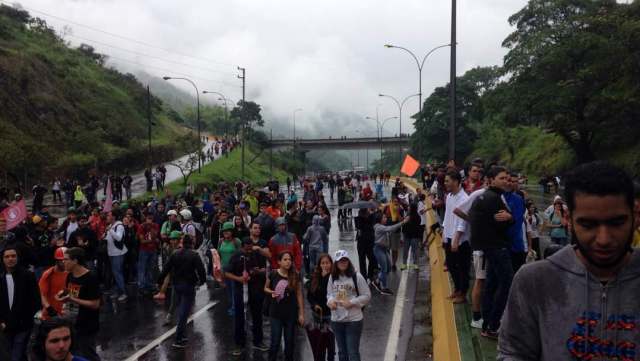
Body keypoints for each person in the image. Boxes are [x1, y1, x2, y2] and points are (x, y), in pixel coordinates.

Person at [498, 162, 639, 360]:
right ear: (569, 221)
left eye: (616, 223)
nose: (604, 239)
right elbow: (514, 353)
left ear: (636, 216)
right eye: (588, 225)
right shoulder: (535, 281)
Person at [468, 166, 513, 339]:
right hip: (497, 247)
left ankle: (487, 324)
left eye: (506, 178)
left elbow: (475, 219)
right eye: (501, 178)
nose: (505, 181)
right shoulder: (493, 198)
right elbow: (504, 221)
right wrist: (510, 218)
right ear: (491, 179)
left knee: (491, 284)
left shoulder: (482, 197)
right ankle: (493, 324)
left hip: (487, 247)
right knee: (506, 283)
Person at [157, 235, 206, 348]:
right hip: (188, 285)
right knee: (184, 312)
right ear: (192, 244)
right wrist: (202, 281)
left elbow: (166, 268)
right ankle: (178, 338)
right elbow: (201, 270)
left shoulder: (175, 253)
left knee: (180, 307)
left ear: (182, 243)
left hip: (176, 284)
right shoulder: (194, 255)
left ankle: (182, 335)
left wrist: (159, 280)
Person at [224, 237, 269, 356]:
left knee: (257, 317)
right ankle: (239, 344)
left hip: (255, 290)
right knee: (239, 318)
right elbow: (227, 273)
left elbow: (265, 270)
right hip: (240, 291)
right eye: (247, 249)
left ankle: (258, 341)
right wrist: (238, 278)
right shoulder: (236, 256)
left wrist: (257, 271)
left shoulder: (256, 254)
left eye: (251, 248)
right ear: (242, 246)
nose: (249, 251)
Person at [57, 248, 101, 361]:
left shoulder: (90, 278)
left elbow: (95, 304)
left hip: (87, 324)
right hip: (72, 322)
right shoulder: (70, 276)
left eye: (66, 259)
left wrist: (72, 299)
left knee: (88, 355)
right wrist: (62, 296)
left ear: (75, 261)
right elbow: (69, 293)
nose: (63, 262)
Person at [327, 250, 371, 361]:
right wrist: (330, 302)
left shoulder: (357, 276)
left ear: (348, 261)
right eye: (340, 261)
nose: (343, 262)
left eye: (345, 260)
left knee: (353, 353)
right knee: (342, 353)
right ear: (336, 263)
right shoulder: (332, 277)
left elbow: (367, 295)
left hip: (354, 320)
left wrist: (351, 302)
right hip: (337, 320)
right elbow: (329, 294)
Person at [0, 246, 41, 361]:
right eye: (7, 256)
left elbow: (36, 300)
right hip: (4, 325)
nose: (10, 259)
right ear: (2, 259)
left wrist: (28, 320)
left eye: (13, 256)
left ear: (18, 258)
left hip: (23, 325)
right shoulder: (1, 276)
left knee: (17, 355)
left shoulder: (27, 275)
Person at [264, 251, 304, 361]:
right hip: (275, 313)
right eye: (285, 260)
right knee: (275, 342)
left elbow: (299, 294)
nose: (288, 262)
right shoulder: (273, 273)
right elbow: (265, 288)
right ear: (279, 262)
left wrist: (301, 314)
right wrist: (271, 291)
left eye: (290, 260)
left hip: (290, 314)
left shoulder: (295, 275)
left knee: (289, 343)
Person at [442, 170, 471, 304]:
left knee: (463, 267)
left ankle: (463, 293)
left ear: (455, 181)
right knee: (451, 264)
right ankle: (457, 289)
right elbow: (448, 216)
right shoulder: (449, 196)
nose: (445, 183)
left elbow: (463, 221)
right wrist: (444, 233)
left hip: (460, 240)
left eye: (448, 180)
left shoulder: (464, 198)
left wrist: (456, 237)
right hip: (448, 236)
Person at [371, 212, 409, 295]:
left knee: (388, 268)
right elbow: (391, 228)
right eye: (384, 218)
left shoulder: (382, 227)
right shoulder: (379, 227)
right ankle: (384, 288)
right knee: (384, 269)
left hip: (384, 249)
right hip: (378, 249)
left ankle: (376, 281)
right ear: (379, 219)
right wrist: (403, 222)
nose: (386, 219)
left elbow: (390, 230)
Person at [307, 254, 335, 361]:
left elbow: (327, 292)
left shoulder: (333, 278)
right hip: (317, 316)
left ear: (331, 264)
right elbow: (310, 296)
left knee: (330, 342)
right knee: (319, 343)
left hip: (330, 316)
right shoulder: (315, 277)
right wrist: (314, 305)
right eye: (322, 263)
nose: (325, 265)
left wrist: (326, 277)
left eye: (327, 263)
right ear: (319, 265)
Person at [39, 247, 69, 321]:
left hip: (66, 315)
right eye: (62, 260)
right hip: (50, 316)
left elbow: (74, 294)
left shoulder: (71, 273)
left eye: (66, 260)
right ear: (56, 261)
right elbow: (41, 294)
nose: (64, 262)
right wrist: (49, 308)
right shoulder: (48, 274)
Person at [103, 212, 127, 302]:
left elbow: (119, 238)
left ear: (113, 217)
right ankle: (117, 291)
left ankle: (123, 293)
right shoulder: (111, 225)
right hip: (112, 253)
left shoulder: (119, 226)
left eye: (108, 215)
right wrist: (104, 236)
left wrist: (110, 230)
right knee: (115, 273)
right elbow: (109, 238)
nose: (107, 217)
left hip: (118, 253)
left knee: (118, 273)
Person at [219, 222, 242, 316]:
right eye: (224, 231)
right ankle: (232, 305)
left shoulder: (236, 241)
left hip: (234, 270)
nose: (226, 232)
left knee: (234, 289)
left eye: (228, 230)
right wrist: (219, 269)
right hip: (224, 269)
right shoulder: (221, 241)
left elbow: (241, 254)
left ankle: (235, 307)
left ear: (232, 231)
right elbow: (218, 254)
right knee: (227, 289)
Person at [137, 212, 159, 295]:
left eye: (151, 218)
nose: (150, 220)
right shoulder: (141, 227)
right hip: (144, 250)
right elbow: (142, 241)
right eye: (148, 218)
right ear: (145, 218)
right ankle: (141, 286)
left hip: (152, 250)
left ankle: (149, 284)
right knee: (142, 268)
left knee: (150, 268)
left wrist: (150, 229)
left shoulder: (155, 226)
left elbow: (155, 236)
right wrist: (153, 240)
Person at [354, 209, 377, 282]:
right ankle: (364, 277)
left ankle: (370, 274)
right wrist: (362, 218)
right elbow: (358, 227)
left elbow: (372, 225)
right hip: (361, 242)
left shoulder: (371, 218)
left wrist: (370, 215)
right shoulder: (358, 219)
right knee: (362, 260)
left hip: (370, 242)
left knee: (372, 259)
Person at [401, 203, 422, 270]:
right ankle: (415, 264)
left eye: (409, 207)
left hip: (410, 236)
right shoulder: (417, 216)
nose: (408, 208)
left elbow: (404, 226)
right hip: (413, 236)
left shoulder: (410, 216)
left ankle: (405, 264)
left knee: (407, 251)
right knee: (414, 251)